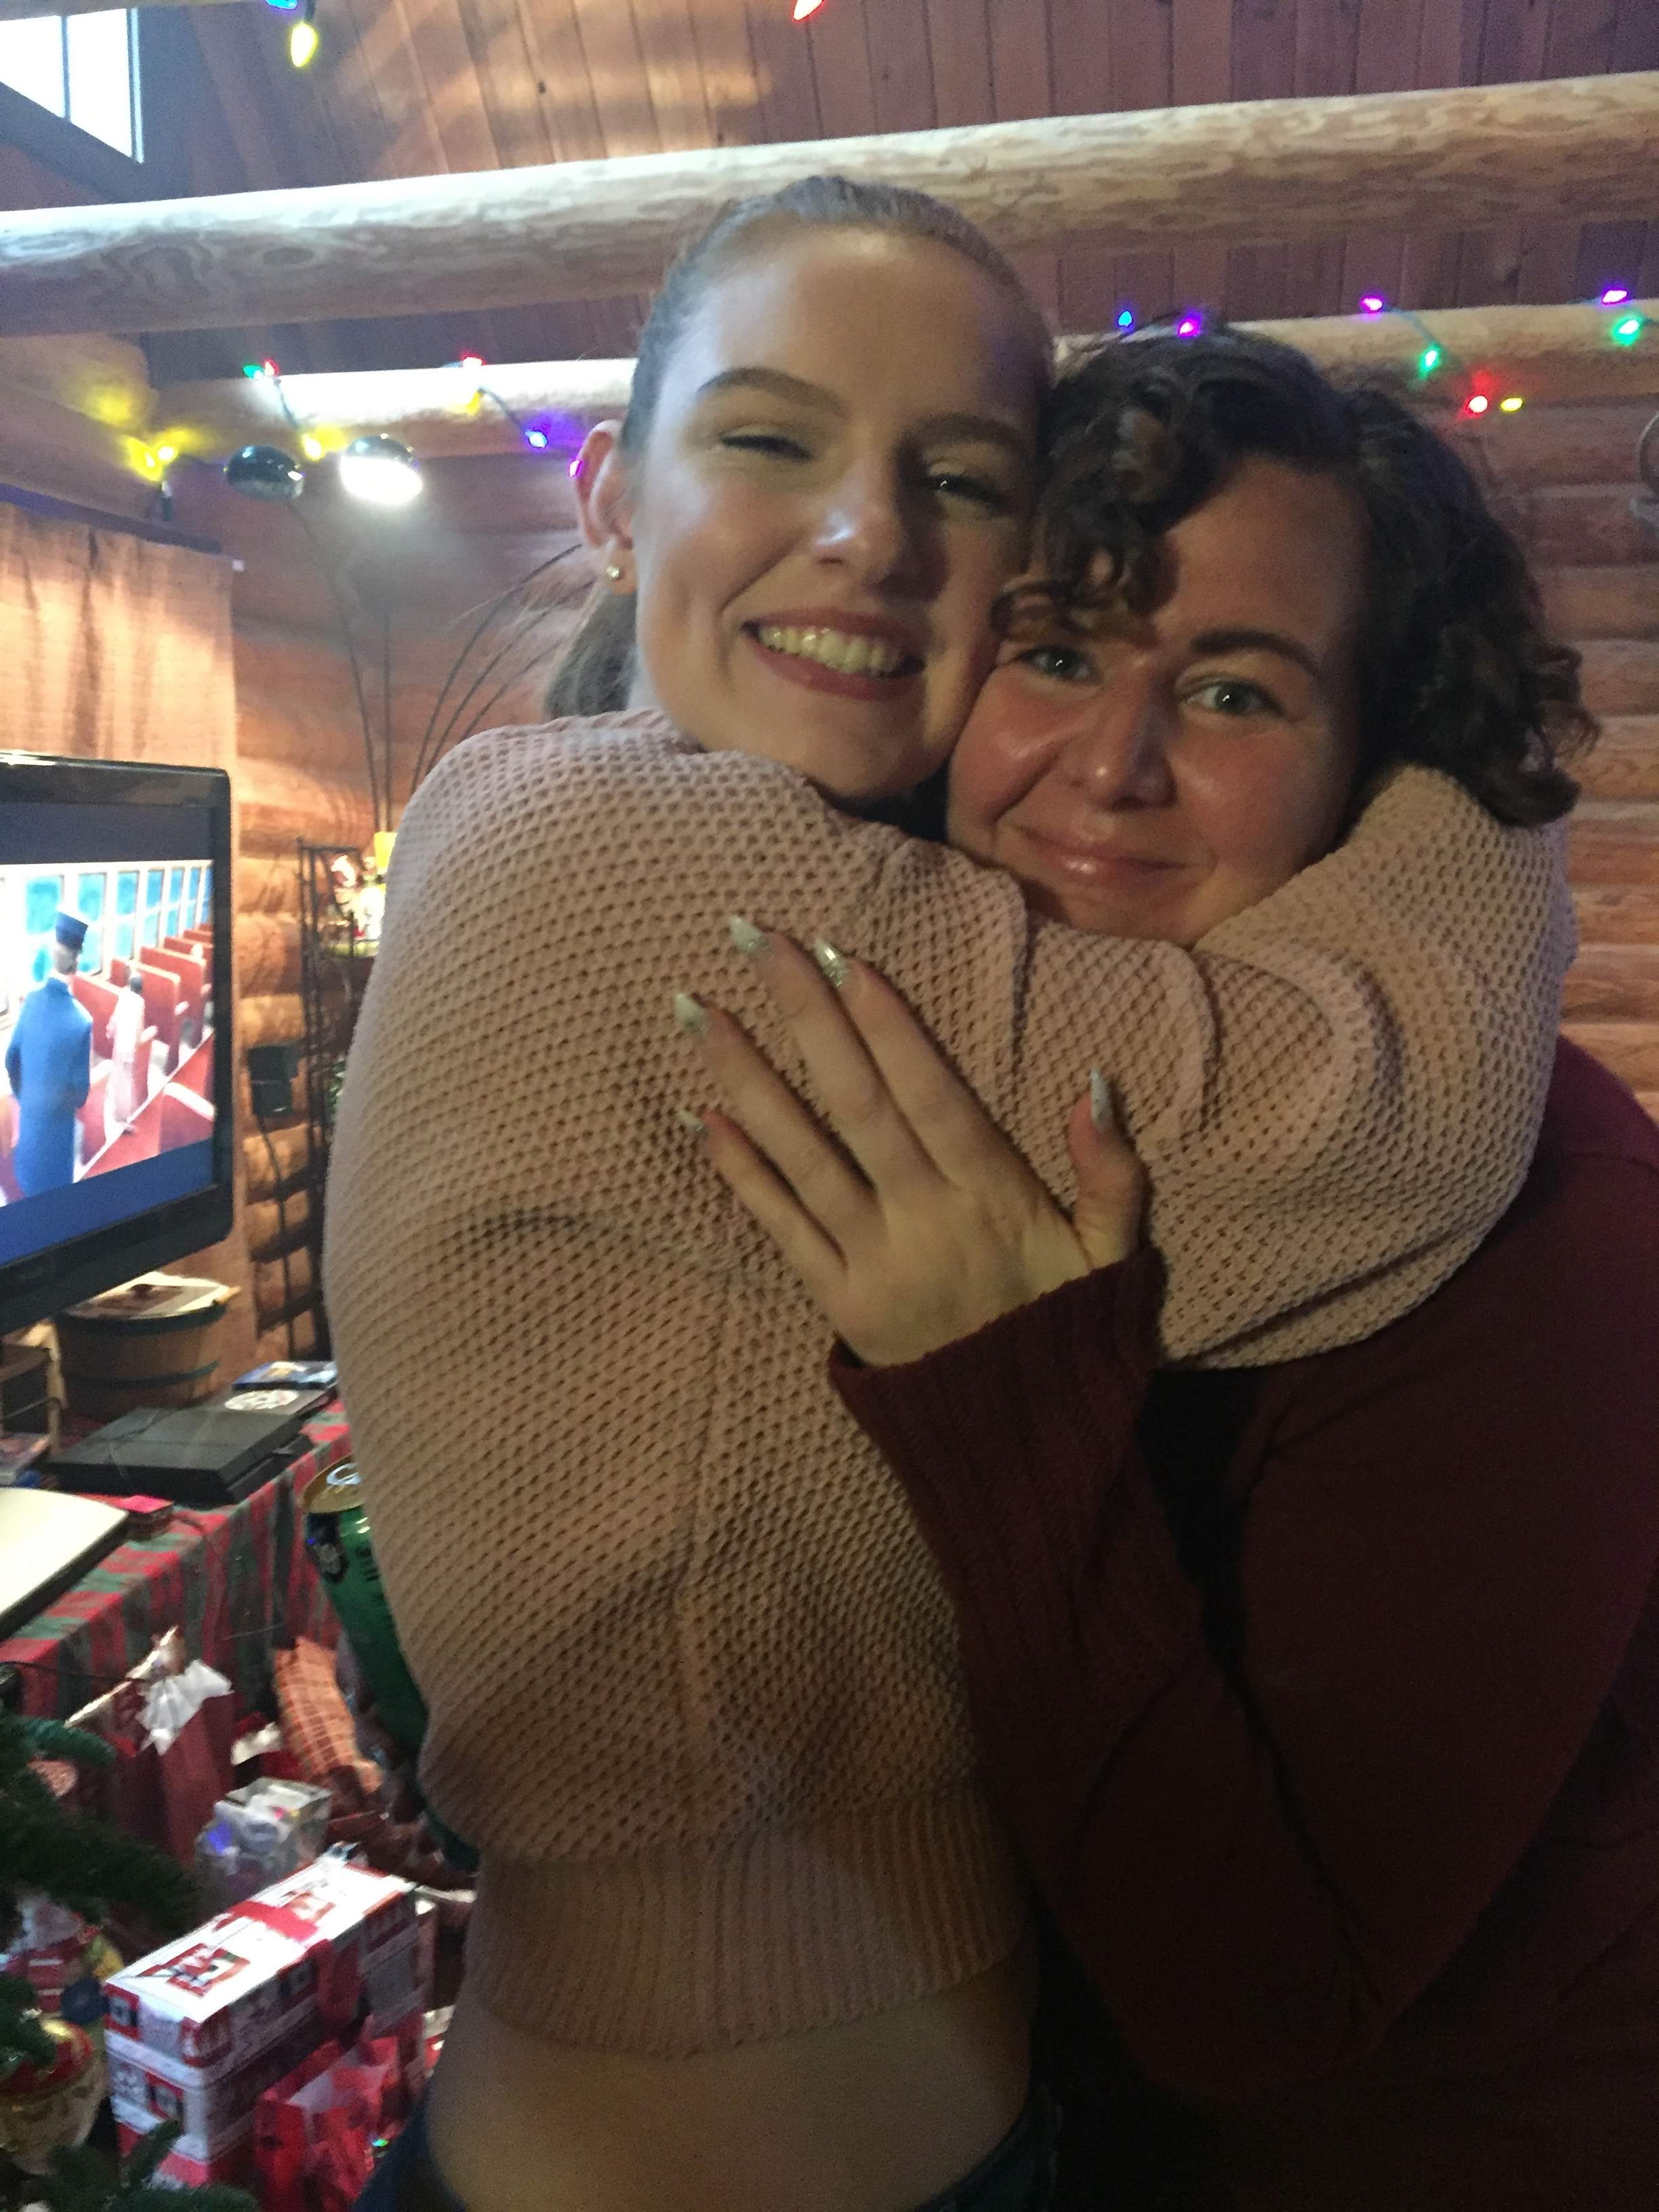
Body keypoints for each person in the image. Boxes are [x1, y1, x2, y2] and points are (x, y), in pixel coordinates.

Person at [325, 198, 1572, 2212]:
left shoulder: (813, 862)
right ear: (613, 493)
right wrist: (1474, 756)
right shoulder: (605, 855)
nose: (869, 536)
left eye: (960, 479)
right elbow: (1369, 1112)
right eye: (770, 437)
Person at [676, 331, 1659, 2207]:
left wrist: (999, 1396)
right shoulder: (933, 1068)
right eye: (1054, 653)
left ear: (1373, 763)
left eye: (1229, 691)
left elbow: (1258, 2006)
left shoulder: (1551, 1220)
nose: (1110, 769)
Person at [5, 911, 93, 1197]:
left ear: (52, 954)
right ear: (77, 963)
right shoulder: (82, 1021)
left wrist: (26, 1097)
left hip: (29, 1130)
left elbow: (11, 1058)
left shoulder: (30, 1001)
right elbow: (81, 1094)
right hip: (57, 1140)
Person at [106, 971, 150, 1139]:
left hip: (119, 1044)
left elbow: (115, 1019)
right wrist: (138, 1043)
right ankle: (122, 1118)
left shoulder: (123, 997)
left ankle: (115, 1108)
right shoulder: (139, 1002)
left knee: (118, 1075)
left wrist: (110, 1031)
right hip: (128, 1047)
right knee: (126, 1080)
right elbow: (139, 1028)